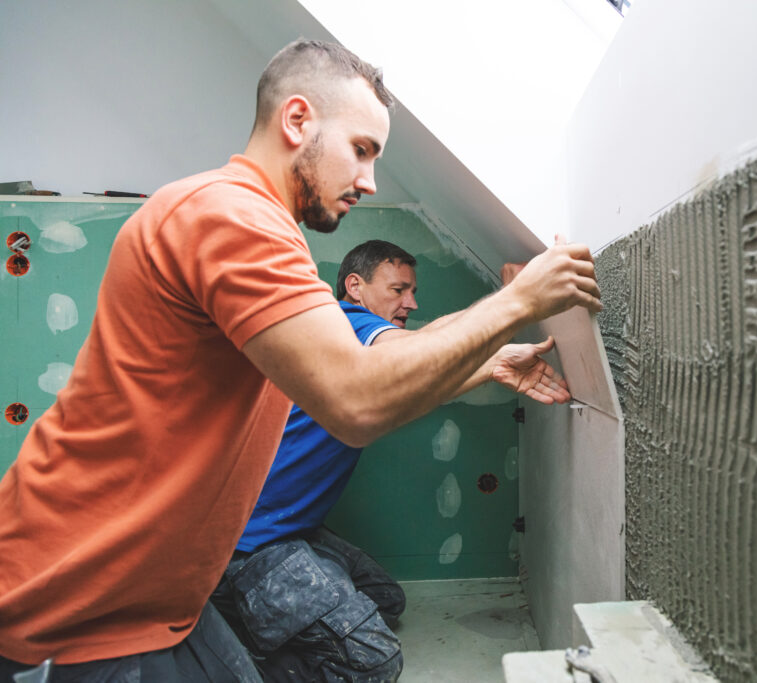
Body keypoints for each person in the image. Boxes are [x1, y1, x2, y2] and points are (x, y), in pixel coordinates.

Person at [0, 39, 600, 681]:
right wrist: (516, 300)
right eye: (362, 149)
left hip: (161, 591)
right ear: (296, 121)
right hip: (76, 596)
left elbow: (379, 356)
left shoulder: (262, 228)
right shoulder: (231, 217)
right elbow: (357, 401)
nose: (369, 180)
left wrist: (486, 356)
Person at [212, 239, 569, 681]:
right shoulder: (343, 323)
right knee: (372, 660)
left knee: (385, 599)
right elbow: (417, 355)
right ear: (355, 286)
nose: (411, 301)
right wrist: (515, 305)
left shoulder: (358, 345)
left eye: (412, 291)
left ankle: (272, 614)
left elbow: (423, 344)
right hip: (251, 544)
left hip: (293, 528)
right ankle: (232, 641)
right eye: (399, 290)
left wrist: (494, 358)